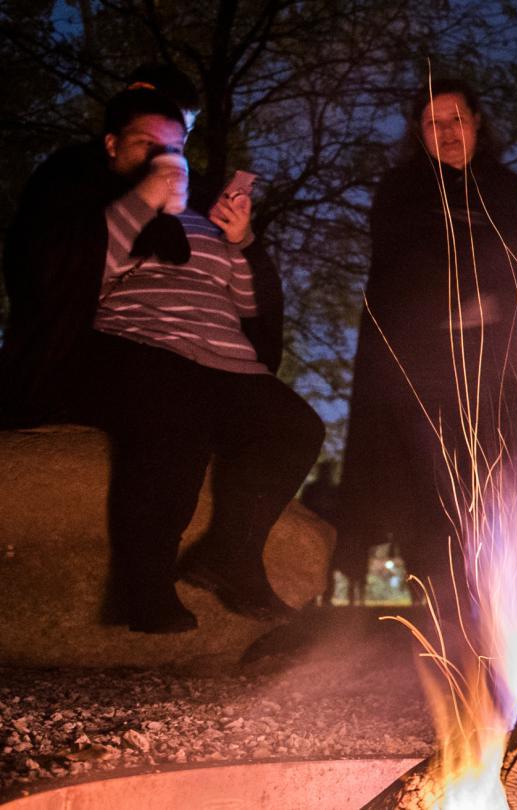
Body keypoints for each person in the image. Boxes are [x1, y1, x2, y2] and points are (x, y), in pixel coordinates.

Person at [1, 88, 322, 633]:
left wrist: (241, 243)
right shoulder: (99, 206)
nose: (159, 159)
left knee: (295, 426)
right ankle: (144, 585)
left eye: (170, 149)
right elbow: (74, 277)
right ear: (111, 144)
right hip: (137, 348)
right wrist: (144, 199)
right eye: (146, 144)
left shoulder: (202, 222)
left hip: (222, 360)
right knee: (175, 409)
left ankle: (230, 557)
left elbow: (248, 305)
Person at [338, 79, 517, 595]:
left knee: (508, 487)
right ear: (419, 135)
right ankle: (439, 613)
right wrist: (449, 305)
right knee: (438, 493)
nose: (446, 131)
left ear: (477, 121)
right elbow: (395, 271)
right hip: (425, 375)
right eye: (433, 124)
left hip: (503, 372)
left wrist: (505, 311)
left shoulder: (511, 193)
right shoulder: (402, 191)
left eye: (456, 118)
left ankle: (513, 611)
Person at [2, 64, 203, 428]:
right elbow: (47, 268)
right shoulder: (71, 175)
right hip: (62, 366)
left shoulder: (189, 201)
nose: (173, 150)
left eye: (182, 136)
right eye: (159, 132)